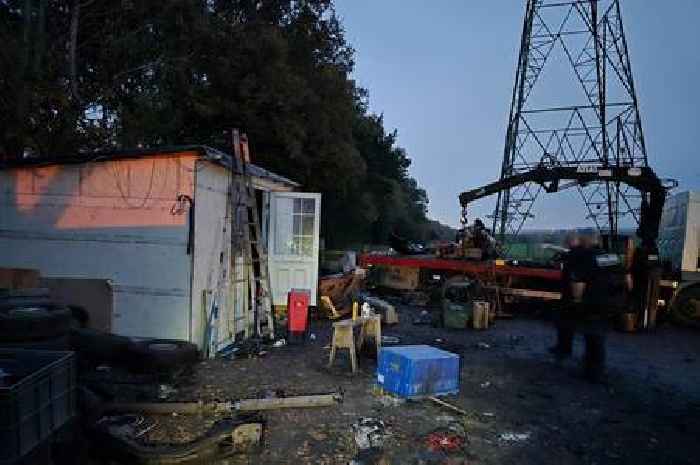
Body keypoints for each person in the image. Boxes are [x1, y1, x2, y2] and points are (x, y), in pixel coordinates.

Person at [550, 232, 608, 382]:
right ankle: (596, 368)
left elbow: (579, 281)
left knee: (591, 336)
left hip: (591, 302)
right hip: (609, 303)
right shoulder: (610, 257)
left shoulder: (587, 257)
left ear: (587, 241)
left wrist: (576, 301)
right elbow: (627, 279)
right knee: (598, 337)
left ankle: (592, 372)